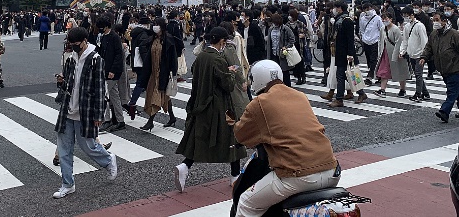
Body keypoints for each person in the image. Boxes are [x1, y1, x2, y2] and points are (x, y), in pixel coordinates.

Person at [233, 60, 340, 217]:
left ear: (256, 79)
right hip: (331, 170)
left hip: (298, 174)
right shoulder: (300, 96)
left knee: (246, 202)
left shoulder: (260, 103)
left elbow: (241, 135)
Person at [175, 26, 243, 193]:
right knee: (231, 139)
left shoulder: (201, 57)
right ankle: (235, 175)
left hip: (201, 103)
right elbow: (227, 85)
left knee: (198, 138)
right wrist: (231, 73)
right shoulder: (218, 59)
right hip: (220, 106)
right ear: (221, 42)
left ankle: (185, 165)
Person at [52, 26, 117, 199]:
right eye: (70, 43)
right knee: (64, 149)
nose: (72, 47)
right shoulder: (71, 60)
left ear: (84, 42)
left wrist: (99, 115)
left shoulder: (96, 60)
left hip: (85, 111)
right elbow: (68, 86)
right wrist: (62, 81)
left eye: (75, 44)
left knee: (89, 147)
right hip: (67, 109)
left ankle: (109, 160)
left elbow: (100, 89)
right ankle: (67, 184)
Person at [420, 12, 459, 123]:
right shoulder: (434, 34)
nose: (435, 22)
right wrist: (424, 57)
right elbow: (429, 47)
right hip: (443, 67)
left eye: (437, 20)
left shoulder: (453, 34)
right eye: (433, 20)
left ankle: (444, 111)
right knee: (456, 90)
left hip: (454, 66)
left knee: (452, 91)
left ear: (444, 21)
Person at [138, 17, 179, 131]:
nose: (154, 26)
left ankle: (150, 122)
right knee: (164, 96)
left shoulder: (168, 40)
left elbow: (173, 58)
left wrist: (173, 73)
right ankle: (172, 117)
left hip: (163, 73)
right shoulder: (152, 39)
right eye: (154, 24)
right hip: (153, 72)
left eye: (157, 24)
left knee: (156, 97)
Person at [326, 2, 367, 108]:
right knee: (347, 76)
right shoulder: (339, 20)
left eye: (335, 7)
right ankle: (361, 93)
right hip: (340, 52)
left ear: (339, 9)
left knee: (342, 75)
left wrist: (350, 53)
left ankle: (339, 99)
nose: (333, 10)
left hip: (346, 53)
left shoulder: (346, 21)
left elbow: (350, 39)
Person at [96, 15, 126, 132]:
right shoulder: (104, 36)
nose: (100, 29)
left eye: (102, 27)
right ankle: (119, 120)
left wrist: (113, 70)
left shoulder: (114, 37)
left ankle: (107, 120)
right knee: (114, 95)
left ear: (107, 26)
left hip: (112, 71)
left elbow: (119, 55)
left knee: (104, 95)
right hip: (106, 70)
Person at [372, 12, 408, 98]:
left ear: (391, 19)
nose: (384, 20)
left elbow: (399, 42)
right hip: (385, 52)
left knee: (400, 71)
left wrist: (396, 54)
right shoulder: (382, 29)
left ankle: (402, 89)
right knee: (384, 70)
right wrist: (379, 52)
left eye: (386, 18)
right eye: (383, 19)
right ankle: (382, 90)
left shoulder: (395, 29)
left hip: (396, 53)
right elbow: (380, 41)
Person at [399, 6, 430, 102]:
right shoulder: (407, 26)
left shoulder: (419, 26)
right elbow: (405, 40)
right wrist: (402, 51)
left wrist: (424, 55)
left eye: (406, 15)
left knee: (418, 74)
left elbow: (424, 41)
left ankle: (418, 94)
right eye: (403, 16)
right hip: (411, 54)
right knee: (418, 74)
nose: (405, 18)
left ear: (412, 15)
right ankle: (425, 93)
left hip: (419, 54)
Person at [264, 13, 296, 87]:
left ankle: (287, 87)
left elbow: (292, 39)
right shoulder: (270, 29)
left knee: (284, 72)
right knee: (275, 72)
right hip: (273, 53)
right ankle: (278, 87)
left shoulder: (285, 28)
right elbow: (269, 42)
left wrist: (286, 46)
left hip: (282, 54)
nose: (274, 24)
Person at [358, 3, 383, 85]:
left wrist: (380, 39)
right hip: (366, 41)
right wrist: (363, 37)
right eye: (365, 9)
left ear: (371, 8)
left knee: (373, 59)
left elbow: (381, 29)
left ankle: (370, 76)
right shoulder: (362, 19)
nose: (366, 11)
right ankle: (377, 75)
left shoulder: (377, 18)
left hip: (375, 41)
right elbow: (361, 29)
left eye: (367, 9)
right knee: (368, 59)